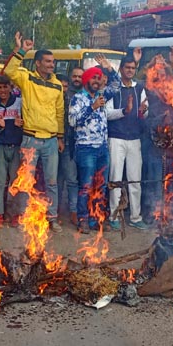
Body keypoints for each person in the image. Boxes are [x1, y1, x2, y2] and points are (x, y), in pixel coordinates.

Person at [4, 32, 65, 233]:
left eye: (53, 62)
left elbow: (59, 112)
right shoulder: (27, 78)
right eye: (47, 61)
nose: (51, 64)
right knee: (25, 182)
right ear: (37, 63)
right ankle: (23, 216)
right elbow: (9, 71)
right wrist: (22, 50)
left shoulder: (57, 84)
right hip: (30, 139)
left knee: (52, 182)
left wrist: (60, 137)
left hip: (50, 141)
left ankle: (52, 218)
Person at [69, 60, 120, 233]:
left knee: (101, 186)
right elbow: (73, 121)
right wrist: (92, 107)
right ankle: (82, 219)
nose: (97, 81)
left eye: (99, 78)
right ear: (86, 80)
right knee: (86, 186)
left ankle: (96, 219)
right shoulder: (78, 98)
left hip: (102, 148)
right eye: (94, 78)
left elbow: (117, 84)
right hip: (85, 149)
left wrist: (109, 68)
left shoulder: (102, 95)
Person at [105, 54, 150, 231]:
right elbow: (107, 114)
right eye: (127, 68)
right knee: (115, 178)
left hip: (135, 139)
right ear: (121, 69)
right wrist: (125, 110)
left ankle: (135, 217)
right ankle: (113, 215)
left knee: (135, 179)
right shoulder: (113, 88)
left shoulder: (140, 88)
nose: (130, 71)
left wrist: (142, 112)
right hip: (116, 138)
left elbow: (145, 114)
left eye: (133, 68)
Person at [0, 75, 24, 229]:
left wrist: (17, 124)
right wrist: (4, 125)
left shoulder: (19, 103)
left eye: (5, 87)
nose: (2, 90)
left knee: (16, 183)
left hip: (16, 146)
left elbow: (25, 122)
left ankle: (15, 214)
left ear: (11, 88)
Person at [59, 67, 83, 225]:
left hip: (76, 144)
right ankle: (57, 211)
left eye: (80, 76)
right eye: (74, 76)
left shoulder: (84, 96)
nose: (77, 79)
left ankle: (73, 211)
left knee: (72, 180)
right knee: (56, 179)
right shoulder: (63, 96)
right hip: (60, 140)